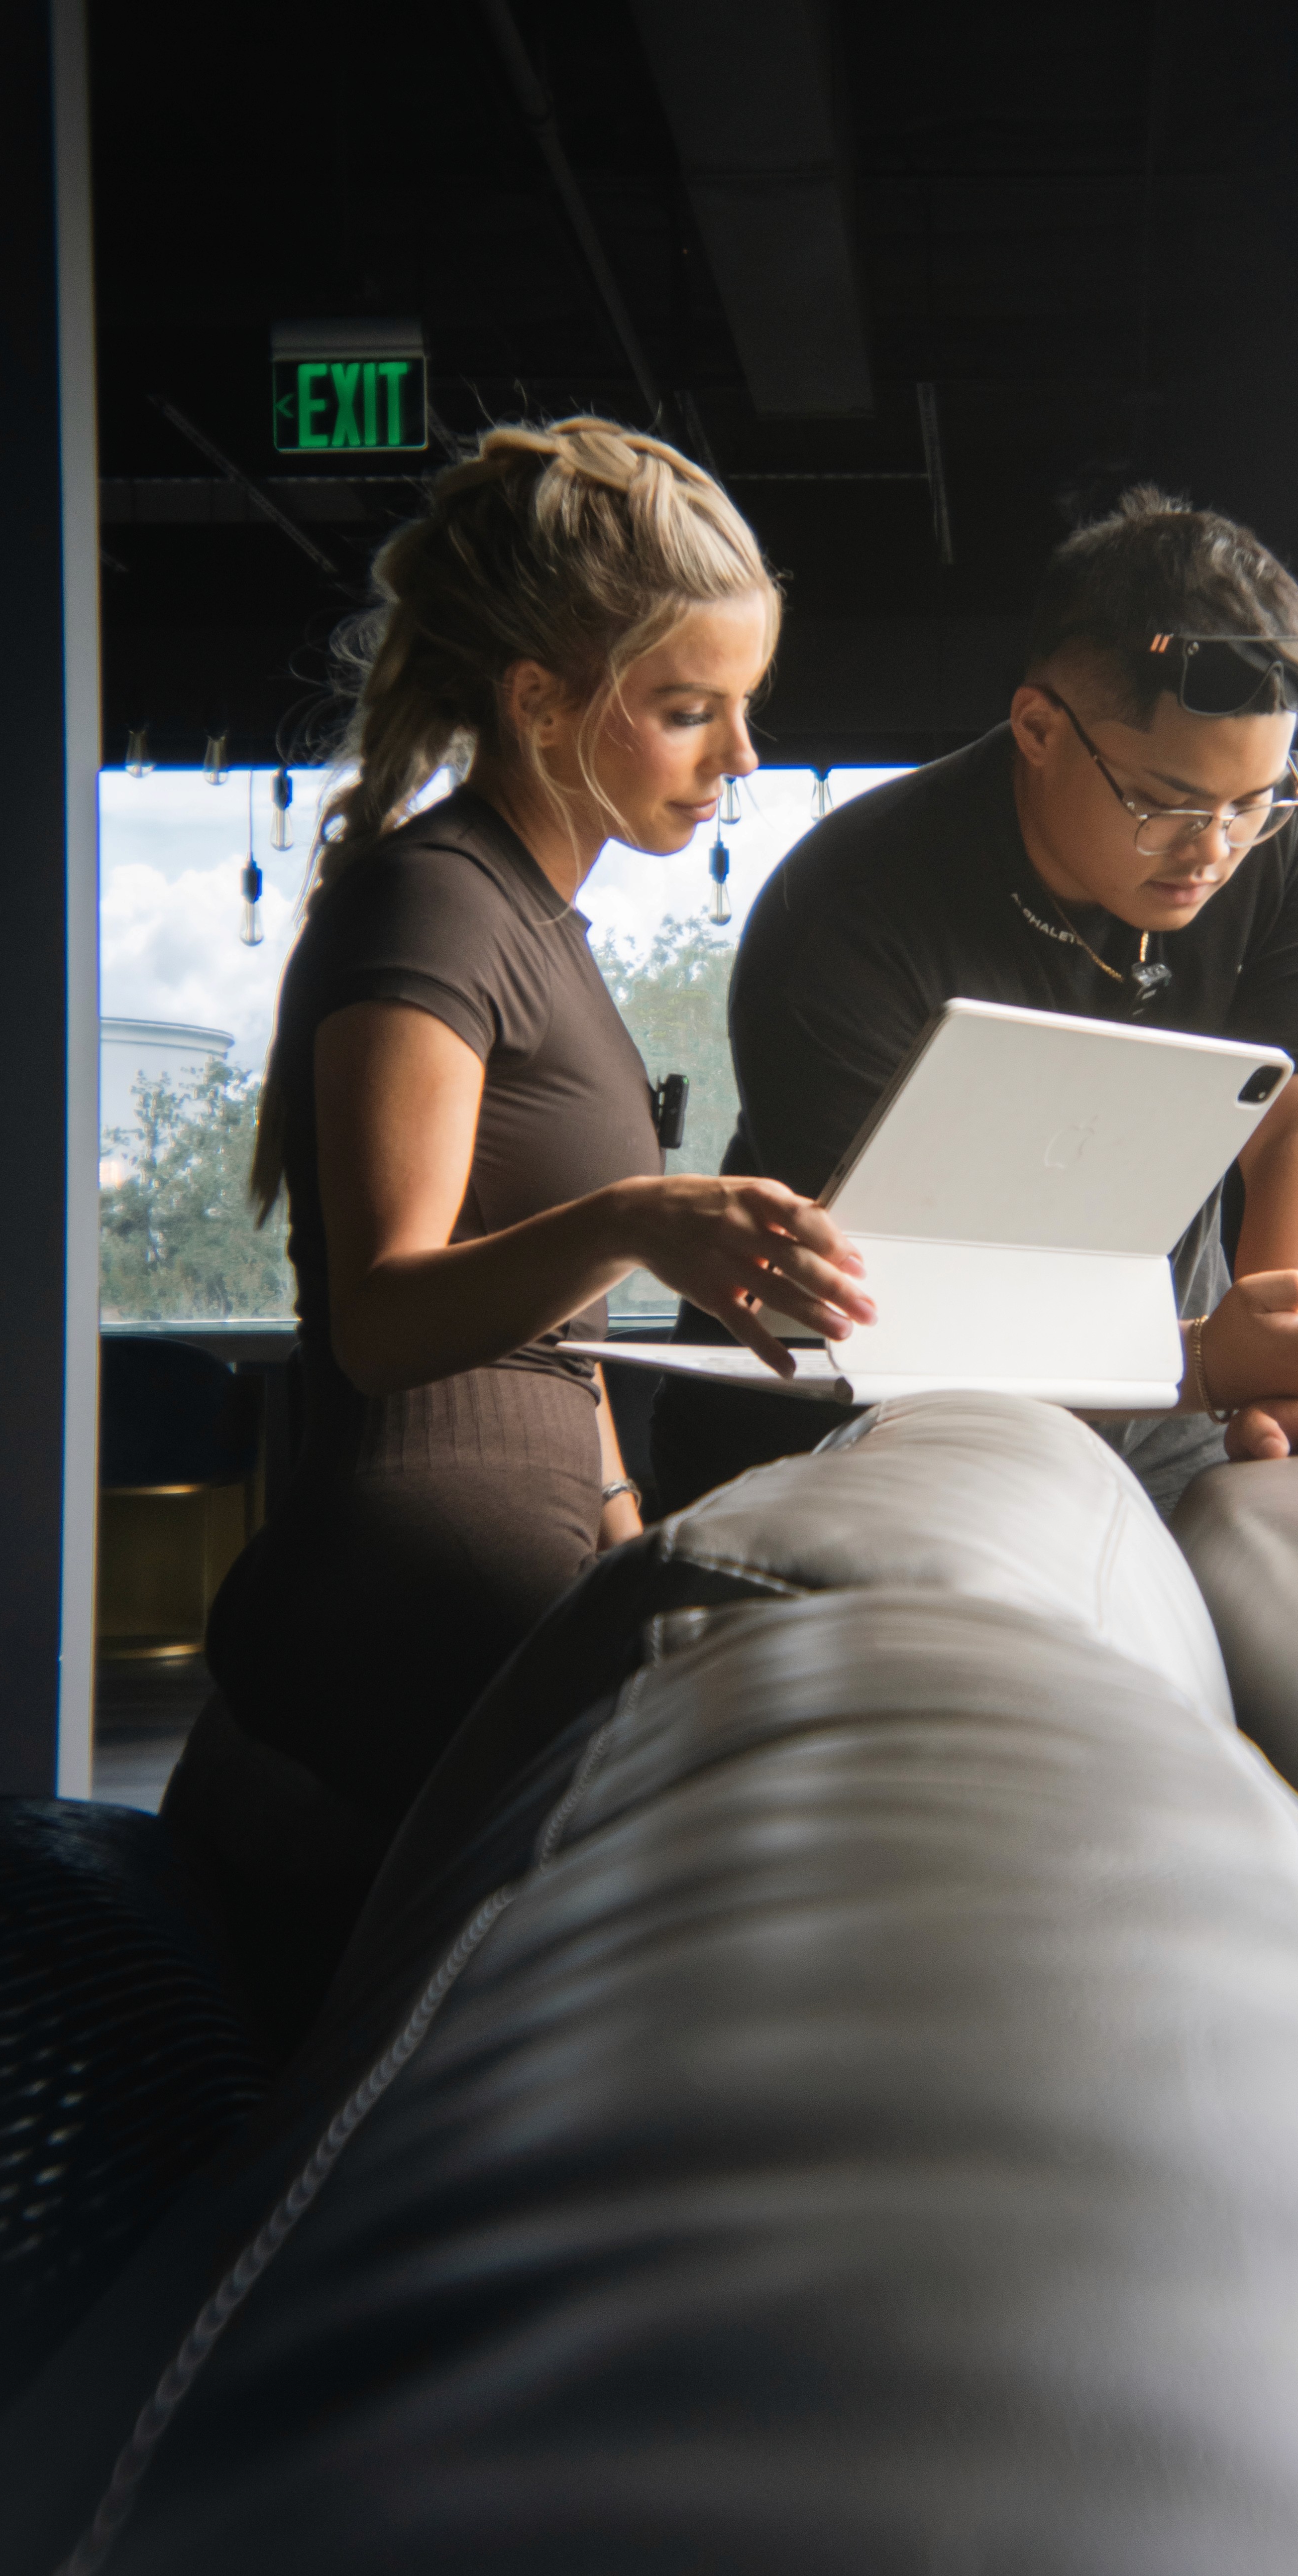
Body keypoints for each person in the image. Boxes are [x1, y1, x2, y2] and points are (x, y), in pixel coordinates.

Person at [203, 418, 873, 1835]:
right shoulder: (438, 901)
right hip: (401, 1612)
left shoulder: (532, 923)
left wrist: (630, 1549)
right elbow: (381, 1321)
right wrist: (636, 1217)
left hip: (509, 1584)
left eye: (742, 706)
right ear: (542, 702)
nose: (741, 753)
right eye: (692, 709)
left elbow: (551, 1359)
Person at [650, 488, 1298, 1520]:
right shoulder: (844, 914)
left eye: (1252, 800)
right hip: (831, 1442)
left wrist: (1293, 1375)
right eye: (1162, 801)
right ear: (1037, 728)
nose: (1214, 851)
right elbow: (897, 1301)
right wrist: (1211, 1365)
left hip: (1160, 1405)